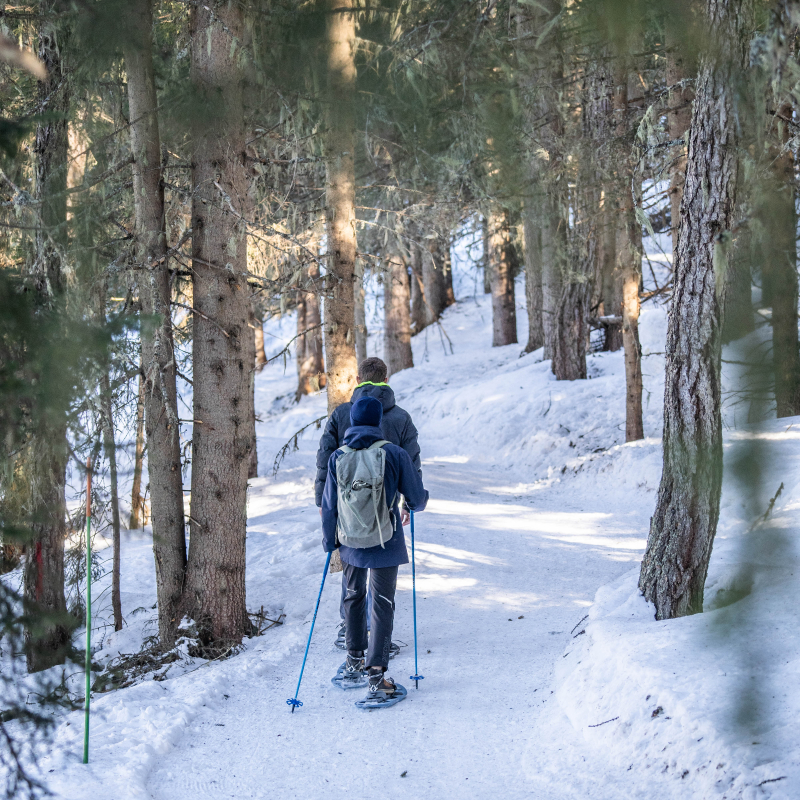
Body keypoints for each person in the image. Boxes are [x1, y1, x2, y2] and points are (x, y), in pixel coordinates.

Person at [321, 396, 428, 704]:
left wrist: (331, 543)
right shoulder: (392, 453)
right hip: (385, 539)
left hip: (350, 541)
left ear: (352, 421)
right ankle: (377, 678)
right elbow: (416, 498)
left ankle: (353, 663)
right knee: (381, 603)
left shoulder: (338, 457)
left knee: (353, 597)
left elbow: (329, 505)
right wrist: (414, 503)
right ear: (379, 422)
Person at [315, 357, 421, 648]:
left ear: (358, 381)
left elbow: (326, 458)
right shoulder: (400, 417)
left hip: (347, 508)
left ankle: (348, 631)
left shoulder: (341, 414)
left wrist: (323, 502)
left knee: (353, 569)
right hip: (386, 510)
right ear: (386, 381)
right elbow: (411, 461)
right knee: (382, 571)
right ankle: (377, 639)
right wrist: (409, 503)